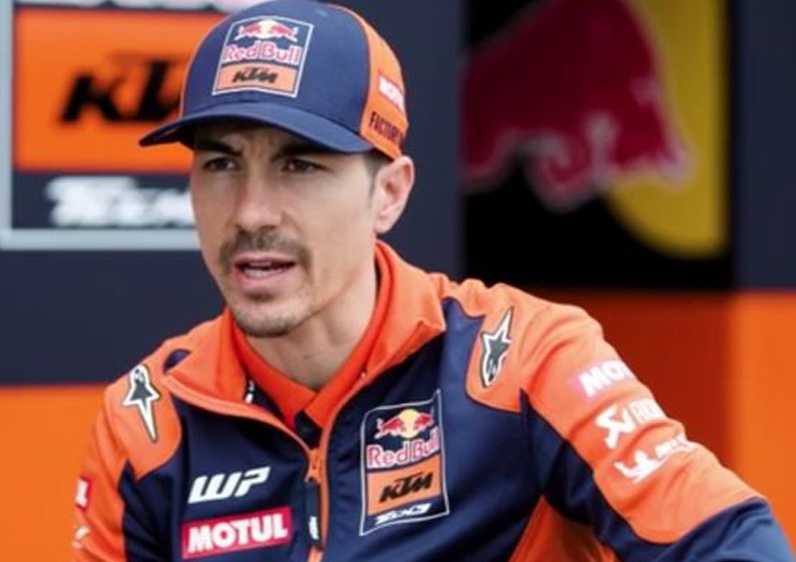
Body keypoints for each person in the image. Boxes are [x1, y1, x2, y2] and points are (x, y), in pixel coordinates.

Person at [71, 1, 795, 560]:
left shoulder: (520, 360)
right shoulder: (148, 423)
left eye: (301, 165)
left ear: (389, 194)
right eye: (221, 163)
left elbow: (727, 538)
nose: (251, 212)